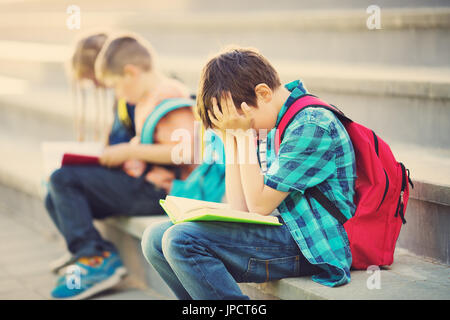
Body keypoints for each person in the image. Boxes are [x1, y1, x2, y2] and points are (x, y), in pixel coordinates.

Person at [141, 47, 357, 299]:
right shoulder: (267, 119)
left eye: (243, 124)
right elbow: (241, 208)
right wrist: (231, 140)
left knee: (181, 240)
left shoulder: (310, 125)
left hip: (314, 244)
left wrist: (243, 136)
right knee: (155, 239)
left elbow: (257, 207)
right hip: (283, 230)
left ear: (263, 93)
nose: (244, 130)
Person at [46, 32, 198, 300]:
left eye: (115, 86)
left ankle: (96, 258)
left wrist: (130, 150)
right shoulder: (145, 98)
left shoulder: (167, 94)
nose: (116, 95)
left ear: (131, 73)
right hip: (142, 184)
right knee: (55, 191)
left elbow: (186, 151)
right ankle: (91, 254)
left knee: (64, 180)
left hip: (159, 192)